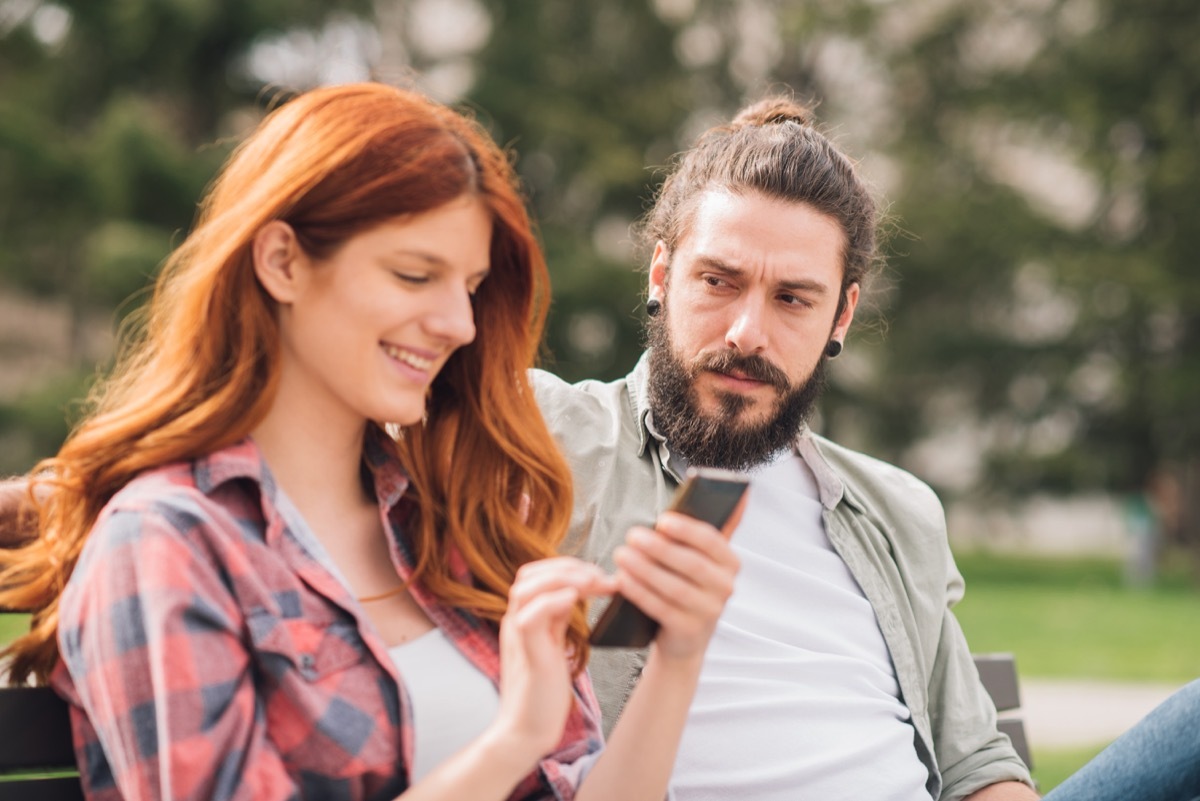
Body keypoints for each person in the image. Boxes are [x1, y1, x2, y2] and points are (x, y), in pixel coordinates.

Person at [0, 83, 740, 801]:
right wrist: (509, 742)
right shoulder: (166, 542)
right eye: (415, 274)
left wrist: (678, 653)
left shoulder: (454, 521)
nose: (459, 322)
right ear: (282, 261)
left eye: (471, 286)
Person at [530, 97, 1200, 801]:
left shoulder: (894, 509)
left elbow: (976, 762)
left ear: (841, 315)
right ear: (661, 276)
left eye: (793, 299)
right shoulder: (551, 434)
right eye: (718, 281)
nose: (747, 332)